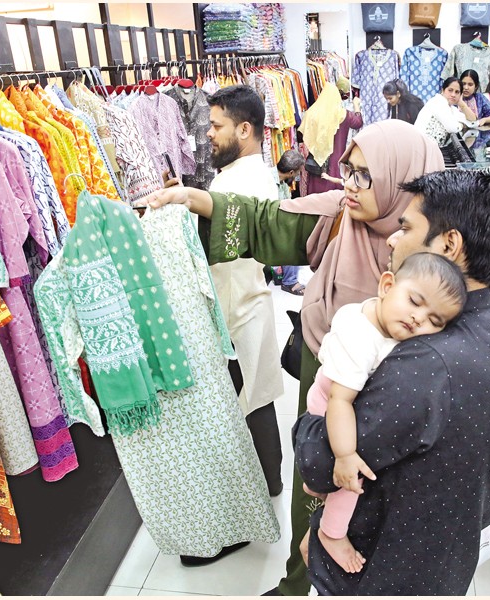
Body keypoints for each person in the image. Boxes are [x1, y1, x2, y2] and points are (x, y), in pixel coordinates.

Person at [145, 119, 445, 596]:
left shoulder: (435, 250)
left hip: (392, 391)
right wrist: (197, 199)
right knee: (315, 477)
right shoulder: (339, 216)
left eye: (366, 176)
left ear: (401, 180)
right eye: (349, 169)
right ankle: (297, 582)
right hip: (324, 373)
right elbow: (266, 222)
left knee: (370, 495)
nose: (350, 183)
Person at [294, 169, 490, 594]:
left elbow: (319, 463)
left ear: (448, 245)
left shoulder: (428, 361)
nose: (394, 240)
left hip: (382, 569)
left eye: (406, 227)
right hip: (434, 559)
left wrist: (310, 421)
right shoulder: (483, 319)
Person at [299, 252, 467, 574]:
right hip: (332, 404)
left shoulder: (381, 320)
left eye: (435, 321)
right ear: (387, 284)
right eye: (415, 302)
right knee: (353, 481)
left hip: (335, 395)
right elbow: (340, 402)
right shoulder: (362, 338)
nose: (419, 319)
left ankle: (318, 485)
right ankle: (332, 533)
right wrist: (346, 456)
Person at [202, 85, 284, 497]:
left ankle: (263, 485)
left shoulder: (240, 186)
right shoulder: (243, 175)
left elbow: (220, 253)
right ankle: (270, 481)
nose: (209, 134)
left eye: (217, 126)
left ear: (245, 129)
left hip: (237, 308)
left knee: (250, 397)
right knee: (256, 396)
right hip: (245, 301)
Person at [300, 79, 363, 195]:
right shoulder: (343, 115)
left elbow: (303, 136)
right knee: (333, 195)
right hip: (335, 162)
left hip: (316, 163)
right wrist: (356, 106)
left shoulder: (312, 113)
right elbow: (358, 122)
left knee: (315, 194)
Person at [276, 149, 307, 295]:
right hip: (267, 224)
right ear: (291, 172)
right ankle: (289, 281)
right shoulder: (269, 183)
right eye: (297, 172)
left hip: (277, 221)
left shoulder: (282, 183)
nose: (297, 175)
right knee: (291, 238)